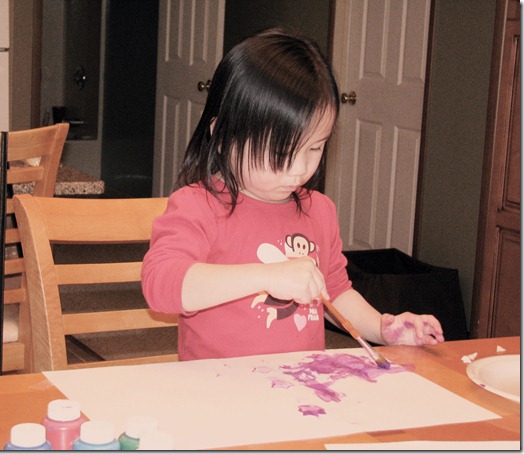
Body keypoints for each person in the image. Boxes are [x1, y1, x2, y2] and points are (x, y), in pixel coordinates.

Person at [141, 28, 444, 361]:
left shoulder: (320, 211)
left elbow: (335, 293)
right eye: (281, 153)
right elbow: (161, 285)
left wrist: (383, 329)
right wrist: (268, 276)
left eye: (315, 148)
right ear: (224, 137)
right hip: (217, 386)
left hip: (299, 383)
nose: (300, 169)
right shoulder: (198, 206)